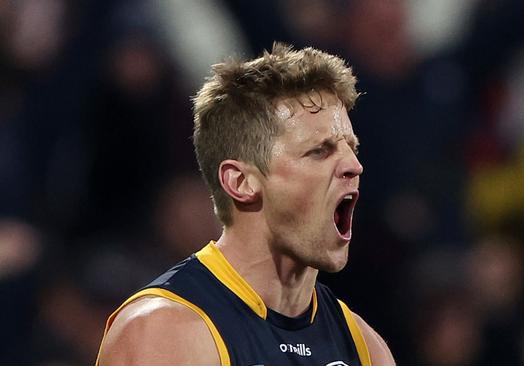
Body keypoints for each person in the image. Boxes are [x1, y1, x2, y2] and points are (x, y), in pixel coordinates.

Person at [96, 43, 396, 365]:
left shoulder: (365, 347)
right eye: (319, 151)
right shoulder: (165, 333)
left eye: (352, 147)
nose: (354, 165)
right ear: (240, 182)